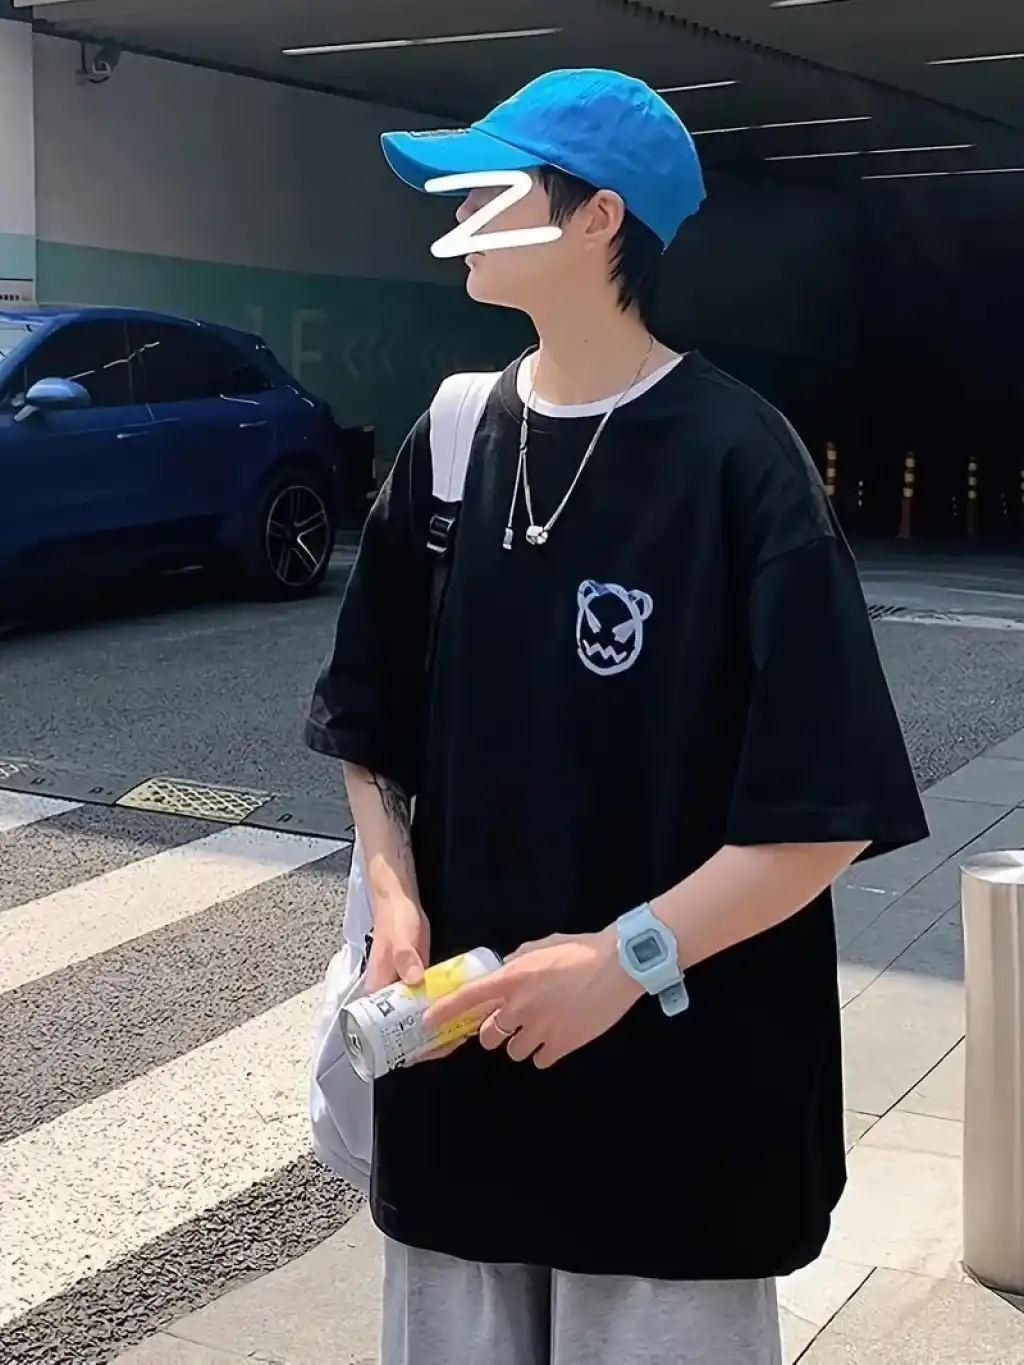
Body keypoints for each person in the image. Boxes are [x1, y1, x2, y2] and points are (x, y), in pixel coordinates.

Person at [306, 68, 928, 1365]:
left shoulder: (741, 461)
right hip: (463, 1092)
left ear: (599, 218)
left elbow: (825, 812)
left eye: (493, 191)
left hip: (675, 1123)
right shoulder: (453, 438)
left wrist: (622, 962)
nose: (460, 216)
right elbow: (370, 724)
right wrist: (396, 899)